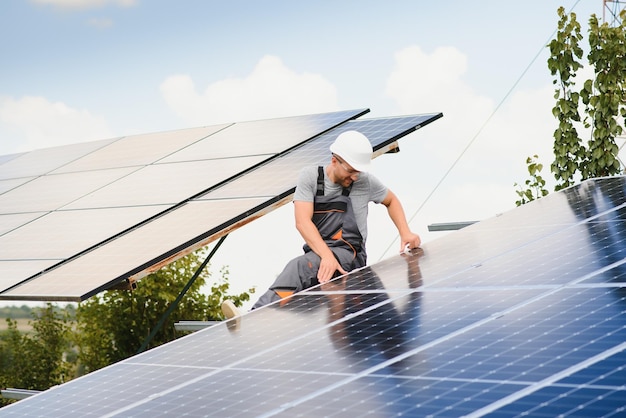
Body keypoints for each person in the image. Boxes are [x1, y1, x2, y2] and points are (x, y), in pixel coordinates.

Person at [221, 130, 421, 319]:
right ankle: (268, 323)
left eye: (358, 172)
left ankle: (253, 317)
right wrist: (326, 256)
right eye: (351, 171)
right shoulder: (310, 178)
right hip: (320, 255)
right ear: (335, 160)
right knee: (307, 306)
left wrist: (405, 232)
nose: (354, 177)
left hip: (350, 256)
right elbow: (302, 221)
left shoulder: (365, 182)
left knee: (300, 267)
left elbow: (391, 200)